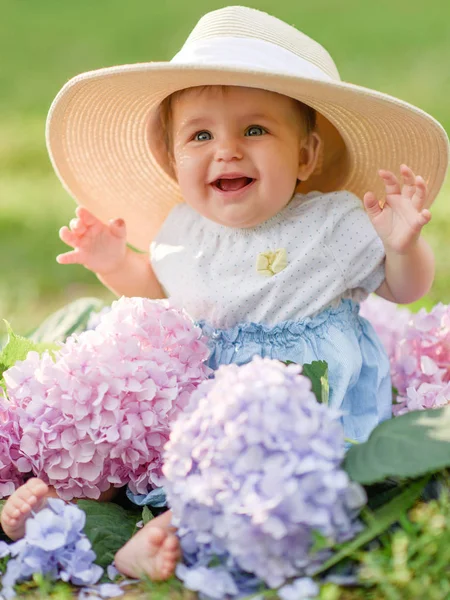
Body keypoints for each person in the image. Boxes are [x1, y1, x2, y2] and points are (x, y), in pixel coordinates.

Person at [2, 4, 448, 583]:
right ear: (172, 160)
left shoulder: (336, 222)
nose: (227, 149)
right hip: (202, 397)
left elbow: (406, 288)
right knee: (144, 455)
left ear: (307, 154)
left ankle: (169, 535)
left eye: (255, 130)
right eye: (201, 134)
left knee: (278, 480)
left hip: (306, 395)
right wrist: (114, 262)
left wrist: (403, 245)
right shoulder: (182, 229)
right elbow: (158, 291)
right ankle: (77, 518)